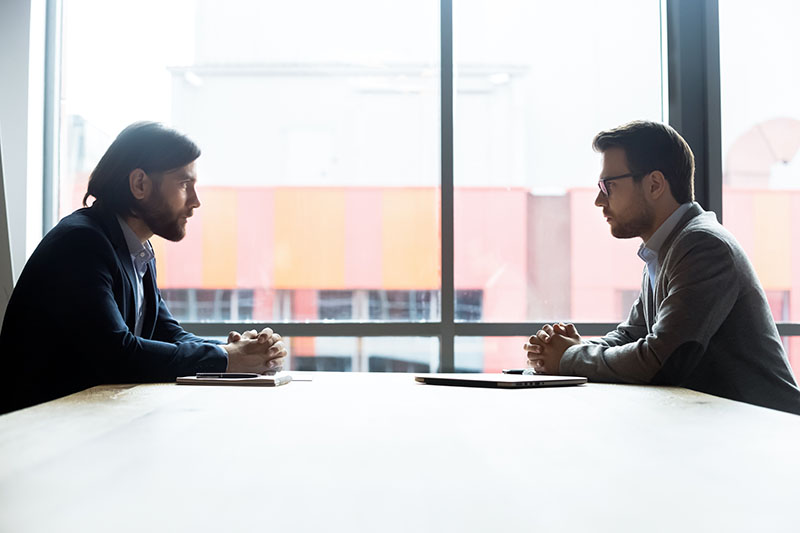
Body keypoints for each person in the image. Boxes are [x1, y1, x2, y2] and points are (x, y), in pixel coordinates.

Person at [0, 122, 287, 413]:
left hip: (87, 421)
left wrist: (240, 351)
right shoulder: (81, 242)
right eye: (184, 184)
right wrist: (225, 357)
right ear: (139, 184)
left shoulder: (135, 249)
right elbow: (117, 354)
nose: (196, 202)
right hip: (36, 432)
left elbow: (168, 334)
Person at [524, 120, 800, 415]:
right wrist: (567, 348)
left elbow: (662, 360)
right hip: (725, 430)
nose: (598, 200)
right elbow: (632, 335)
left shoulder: (703, 246)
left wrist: (570, 357)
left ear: (655, 184)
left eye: (609, 186)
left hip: (771, 433)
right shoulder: (666, 247)